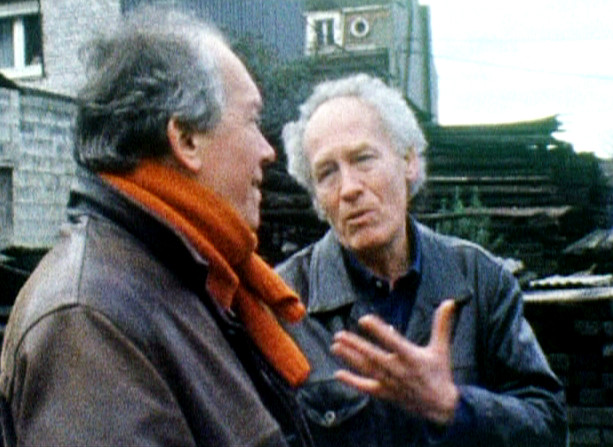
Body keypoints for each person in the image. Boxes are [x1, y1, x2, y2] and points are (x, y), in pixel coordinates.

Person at [0, 7, 314, 447]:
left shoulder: (186, 276)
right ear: (185, 139)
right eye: (252, 121)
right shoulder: (89, 317)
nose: (268, 151)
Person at [277, 73, 568, 446]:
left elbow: (549, 425)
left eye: (363, 159)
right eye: (327, 173)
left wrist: (452, 406)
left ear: (409, 162)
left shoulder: (481, 280)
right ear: (316, 196)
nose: (349, 188)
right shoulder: (282, 304)